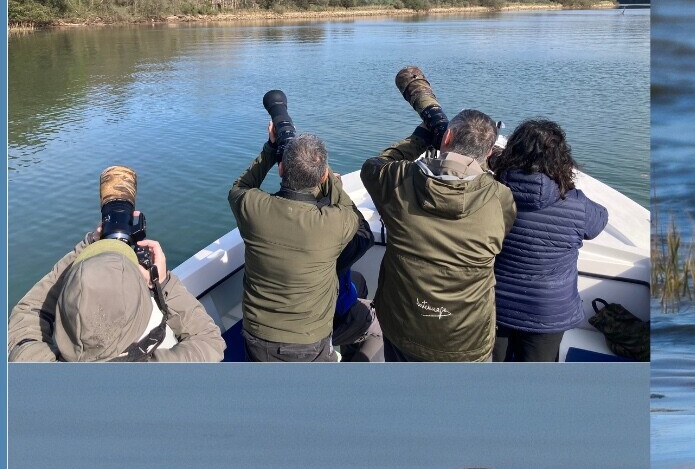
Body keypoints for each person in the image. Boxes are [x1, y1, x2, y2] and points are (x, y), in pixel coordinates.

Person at [361, 108, 516, 361]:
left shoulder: (399, 178)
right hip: (466, 339)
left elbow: (372, 167)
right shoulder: (500, 197)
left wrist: (418, 138)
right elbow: (502, 231)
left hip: (403, 328)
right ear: (488, 153)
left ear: (446, 138)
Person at [229, 125, 372, 362]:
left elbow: (240, 186)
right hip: (309, 340)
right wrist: (327, 178)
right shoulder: (336, 222)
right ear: (324, 176)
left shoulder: (251, 207)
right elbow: (352, 214)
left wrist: (270, 149)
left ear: (281, 169)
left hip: (256, 335)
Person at [489, 119, 609, 362]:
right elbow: (599, 221)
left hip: (495, 305)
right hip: (549, 313)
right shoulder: (577, 206)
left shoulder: (490, 194)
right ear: (562, 158)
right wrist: (570, 188)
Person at [9, 232, 223, 362]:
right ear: (141, 318)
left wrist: (83, 251)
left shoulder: (32, 368)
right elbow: (209, 340)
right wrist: (162, 282)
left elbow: (27, 313)